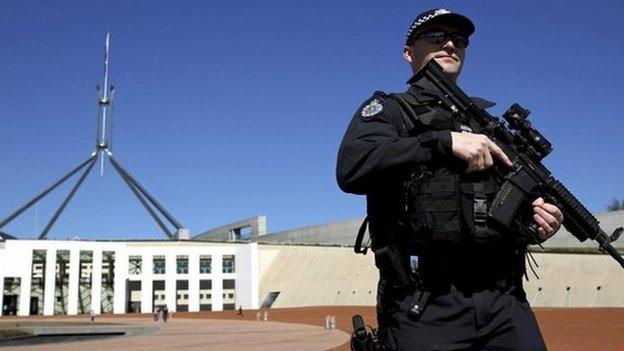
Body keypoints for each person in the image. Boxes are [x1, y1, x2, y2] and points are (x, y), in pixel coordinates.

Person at [336, 8, 564, 351]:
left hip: (505, 302)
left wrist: (542, 217)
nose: (449, 44)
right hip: (426, 304)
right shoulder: (391, 111)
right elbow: (352, 167)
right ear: (409, 52)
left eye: (459, 39)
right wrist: (442, 143)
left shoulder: (488, 125)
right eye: (435, 36)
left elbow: (516, 198)